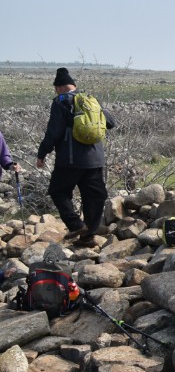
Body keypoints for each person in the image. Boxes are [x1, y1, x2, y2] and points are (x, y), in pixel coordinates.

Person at [36, 67, 116, 246]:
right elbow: (111, 122)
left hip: (69, 160)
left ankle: (76, 225)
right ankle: (88, 237)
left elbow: (53, 132)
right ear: (74, 85)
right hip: (95, 160)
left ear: (58, 87)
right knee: (94, 197)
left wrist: (42, 154)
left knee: (58, 191)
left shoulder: (61, 102)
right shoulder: (91, 99)